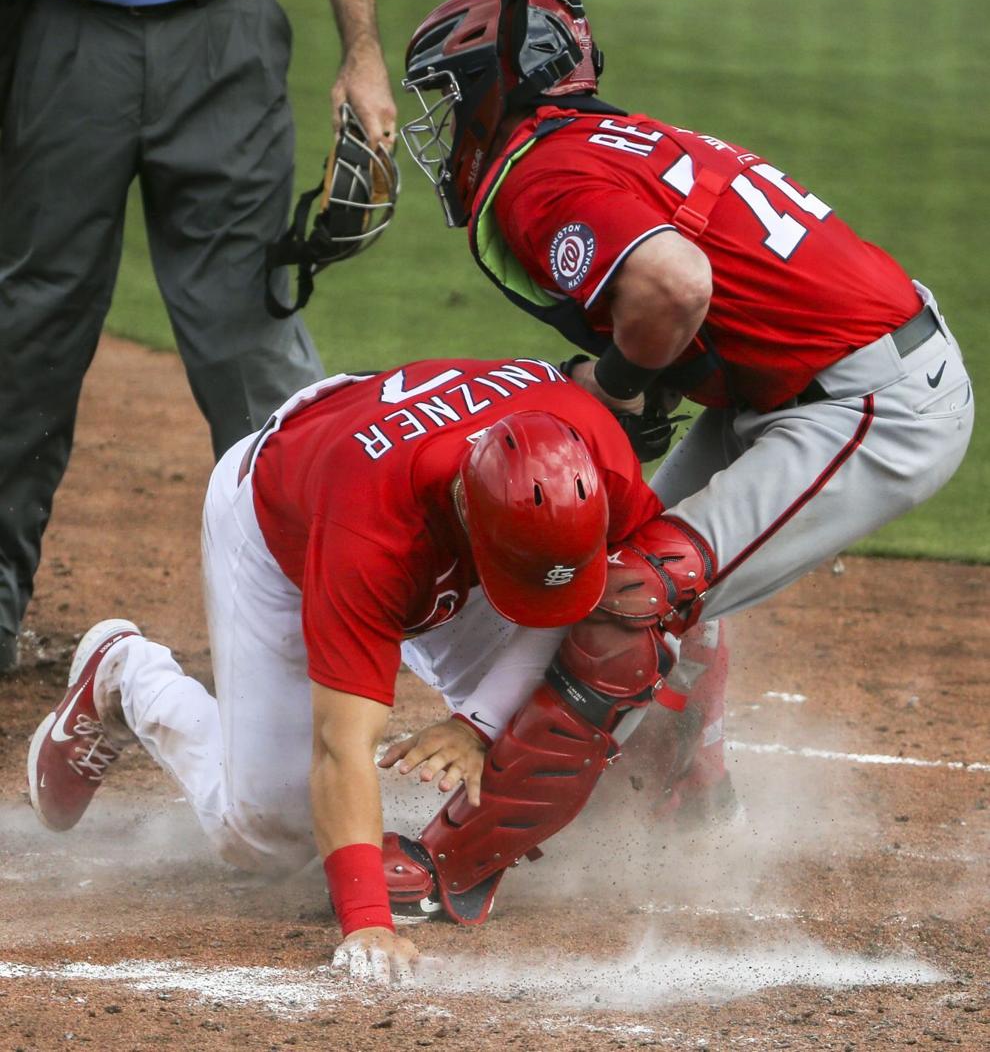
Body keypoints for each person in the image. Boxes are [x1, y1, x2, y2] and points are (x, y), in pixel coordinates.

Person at [387, 0, 975, 907]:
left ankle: (452, 863)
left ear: (506, 79)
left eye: (453, 93)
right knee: (630, 560)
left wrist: (618, 388)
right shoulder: (606, 139)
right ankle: (694, 807)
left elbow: (671, 286)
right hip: (801, 385)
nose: (445, 122)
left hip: (869, 407)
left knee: (623, 598)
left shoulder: (542, 176)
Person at [27, 355, 709, 984]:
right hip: (284, 523)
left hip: (400, 467)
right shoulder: (369, 539)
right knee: (269, 834)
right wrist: (367, 922)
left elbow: (610, 600)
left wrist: (477, 725)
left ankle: (693, 794)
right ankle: (128, 679)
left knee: (594, 705)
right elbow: (340, 745)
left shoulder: (587, 458)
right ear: (470, 516)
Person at [0, 0, 396, 674]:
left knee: (248, 334)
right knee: (28, 329)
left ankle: (316, 613)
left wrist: (363, 51)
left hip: (226, 37)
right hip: (59, 36)